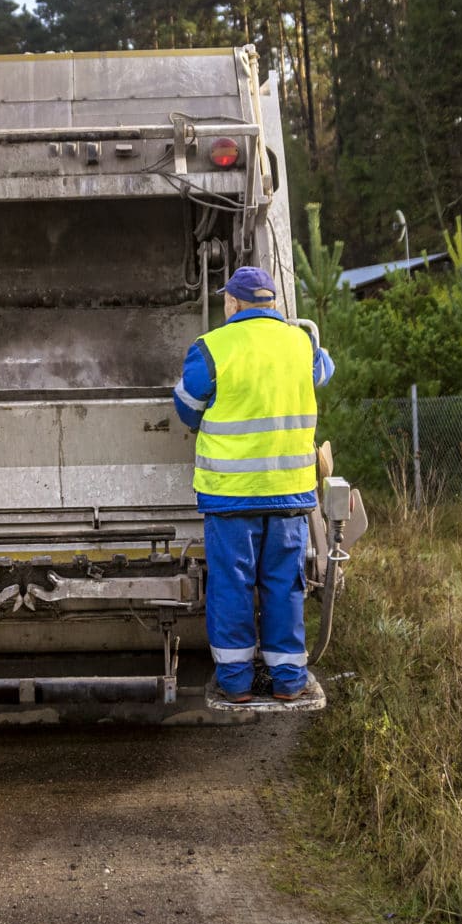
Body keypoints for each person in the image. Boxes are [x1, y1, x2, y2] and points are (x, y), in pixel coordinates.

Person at [173, 266, 334, 703]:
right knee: (284, 585)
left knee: (233, 586)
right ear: (272, 303)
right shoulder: (303, 343)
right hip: (288, 495)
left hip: (230, 497)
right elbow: (324, 374)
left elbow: (186, 406)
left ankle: (236, 685)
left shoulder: (212, 347)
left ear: (232, 303)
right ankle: (288, 683)